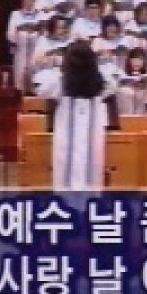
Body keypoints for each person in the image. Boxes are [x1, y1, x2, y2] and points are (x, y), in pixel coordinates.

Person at [35, 40, 118, 191]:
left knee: (66, 180)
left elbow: (40, 89)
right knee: (90, 180)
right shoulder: (101, 82)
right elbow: (114, 84)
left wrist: (47, 66)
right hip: (91, 138)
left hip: (68, 138)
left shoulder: (59, 81)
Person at [7, 0, 42, 92]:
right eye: (28, 0)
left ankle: (33, 89)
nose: (30, 3)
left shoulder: (39, 14)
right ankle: (20, 89)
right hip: (21, 47)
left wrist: (35, 30)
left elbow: (43, 30)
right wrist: (21, 32)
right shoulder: (15, 14)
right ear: (23, 0)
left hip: (35, 46)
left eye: (33, 0)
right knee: (23, 36)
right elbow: (10, 32)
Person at [31, 15, 71, 92]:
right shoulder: (43, 41)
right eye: (59, 28)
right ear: (51, 28)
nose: (62, 31)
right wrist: (49, 58)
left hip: (64, 77)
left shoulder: (69, 41)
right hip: (46, 76)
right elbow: (35, 61)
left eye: (64, 27)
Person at [116, 47, 147, 115]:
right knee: (125, 91)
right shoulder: (122, 71)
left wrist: (142, 83)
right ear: (129, 61)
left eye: (140, 60)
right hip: (128, 95)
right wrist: (131, 83)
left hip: (142, 97)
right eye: (134, 60)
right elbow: (120, 82)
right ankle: (128, 117)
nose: (136, 63)